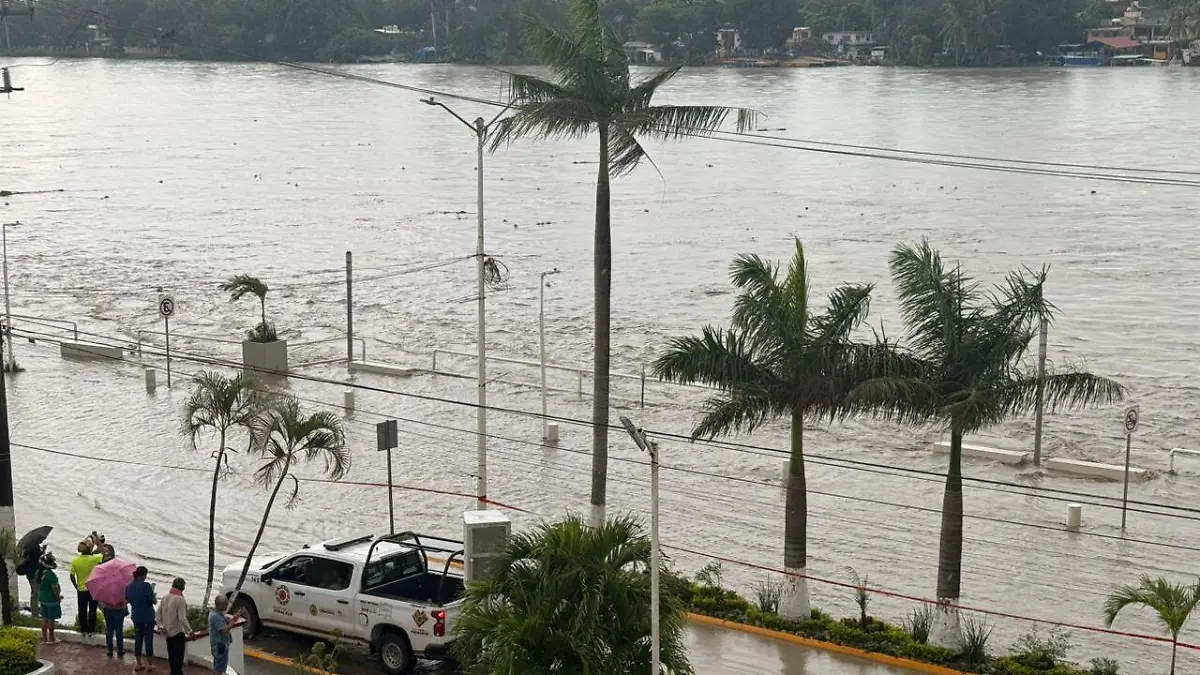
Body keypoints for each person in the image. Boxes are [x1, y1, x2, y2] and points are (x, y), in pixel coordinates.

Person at [156, 577, 192, 675]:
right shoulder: (180, 600)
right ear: (182, 587)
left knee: (171, 655)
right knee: (178, 657)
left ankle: (173, 672)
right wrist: (190, 631)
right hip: (178, 632)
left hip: (167, 631)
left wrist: (160, 626)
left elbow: (158, 614)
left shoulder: (165, 597)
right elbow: (182, 618)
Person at [69, 539, 103, 638]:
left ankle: (83, 630)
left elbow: (71, 575)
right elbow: (103, 552)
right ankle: (90, 631)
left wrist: (76, 586)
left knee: (82, 610)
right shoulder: (94, 559)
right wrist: (98, 542)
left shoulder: (75, 560)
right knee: (92, 610)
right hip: (93, 588)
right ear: (89, 549)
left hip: (81, 589)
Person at [126, 566, 157, 672]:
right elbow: (152, 601)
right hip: (147, 616)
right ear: (143, 575)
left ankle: (139, 663)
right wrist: (154, 597)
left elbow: (129, 600)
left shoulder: (129, 587)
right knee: (148, 640)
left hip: (136, 616)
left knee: (138, 639)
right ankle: (150, 664)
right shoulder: (146, 586)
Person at [37, 552, 62, 645]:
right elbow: (54, 588)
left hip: (43, 598)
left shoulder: (39, 573)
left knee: (44, 618)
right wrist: (58, 598)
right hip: (51, 600)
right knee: (51, 619)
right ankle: (51, 638)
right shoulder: (51, 575)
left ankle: (44, 638)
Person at [208, 596, 234, 675]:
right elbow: (223, 630)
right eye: (225, 604)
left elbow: (224, 621)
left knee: (220, 664)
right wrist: (232, 623)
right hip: (220, 645)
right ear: (220, 605)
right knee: (219, 667)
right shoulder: (215, 616)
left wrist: (233, 619)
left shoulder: (217, 614)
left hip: (220, 644)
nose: (227, 606)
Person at [99, 593, 128, 659]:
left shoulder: (105, 588)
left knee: (109, 630)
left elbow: (100, 600)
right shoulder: (122, 588)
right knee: (119, 630)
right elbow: (127, 600)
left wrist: (102, 608)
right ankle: (120, 650)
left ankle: (110, 650)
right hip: (120, 610)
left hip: (108, 610)